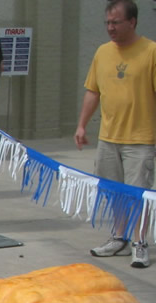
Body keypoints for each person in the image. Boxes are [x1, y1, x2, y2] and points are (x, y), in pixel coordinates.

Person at [75, 0, 156, 269]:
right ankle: (118, 238)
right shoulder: (102, 52)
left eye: (116, 22)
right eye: (107, 22)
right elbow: (92, 91)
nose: (110, 27)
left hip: (141, 140)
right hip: (108, 138)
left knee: (139, 194)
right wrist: (82, 125)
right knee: (114, 192)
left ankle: (140, 243)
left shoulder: (151, 51)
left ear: (132, 22)